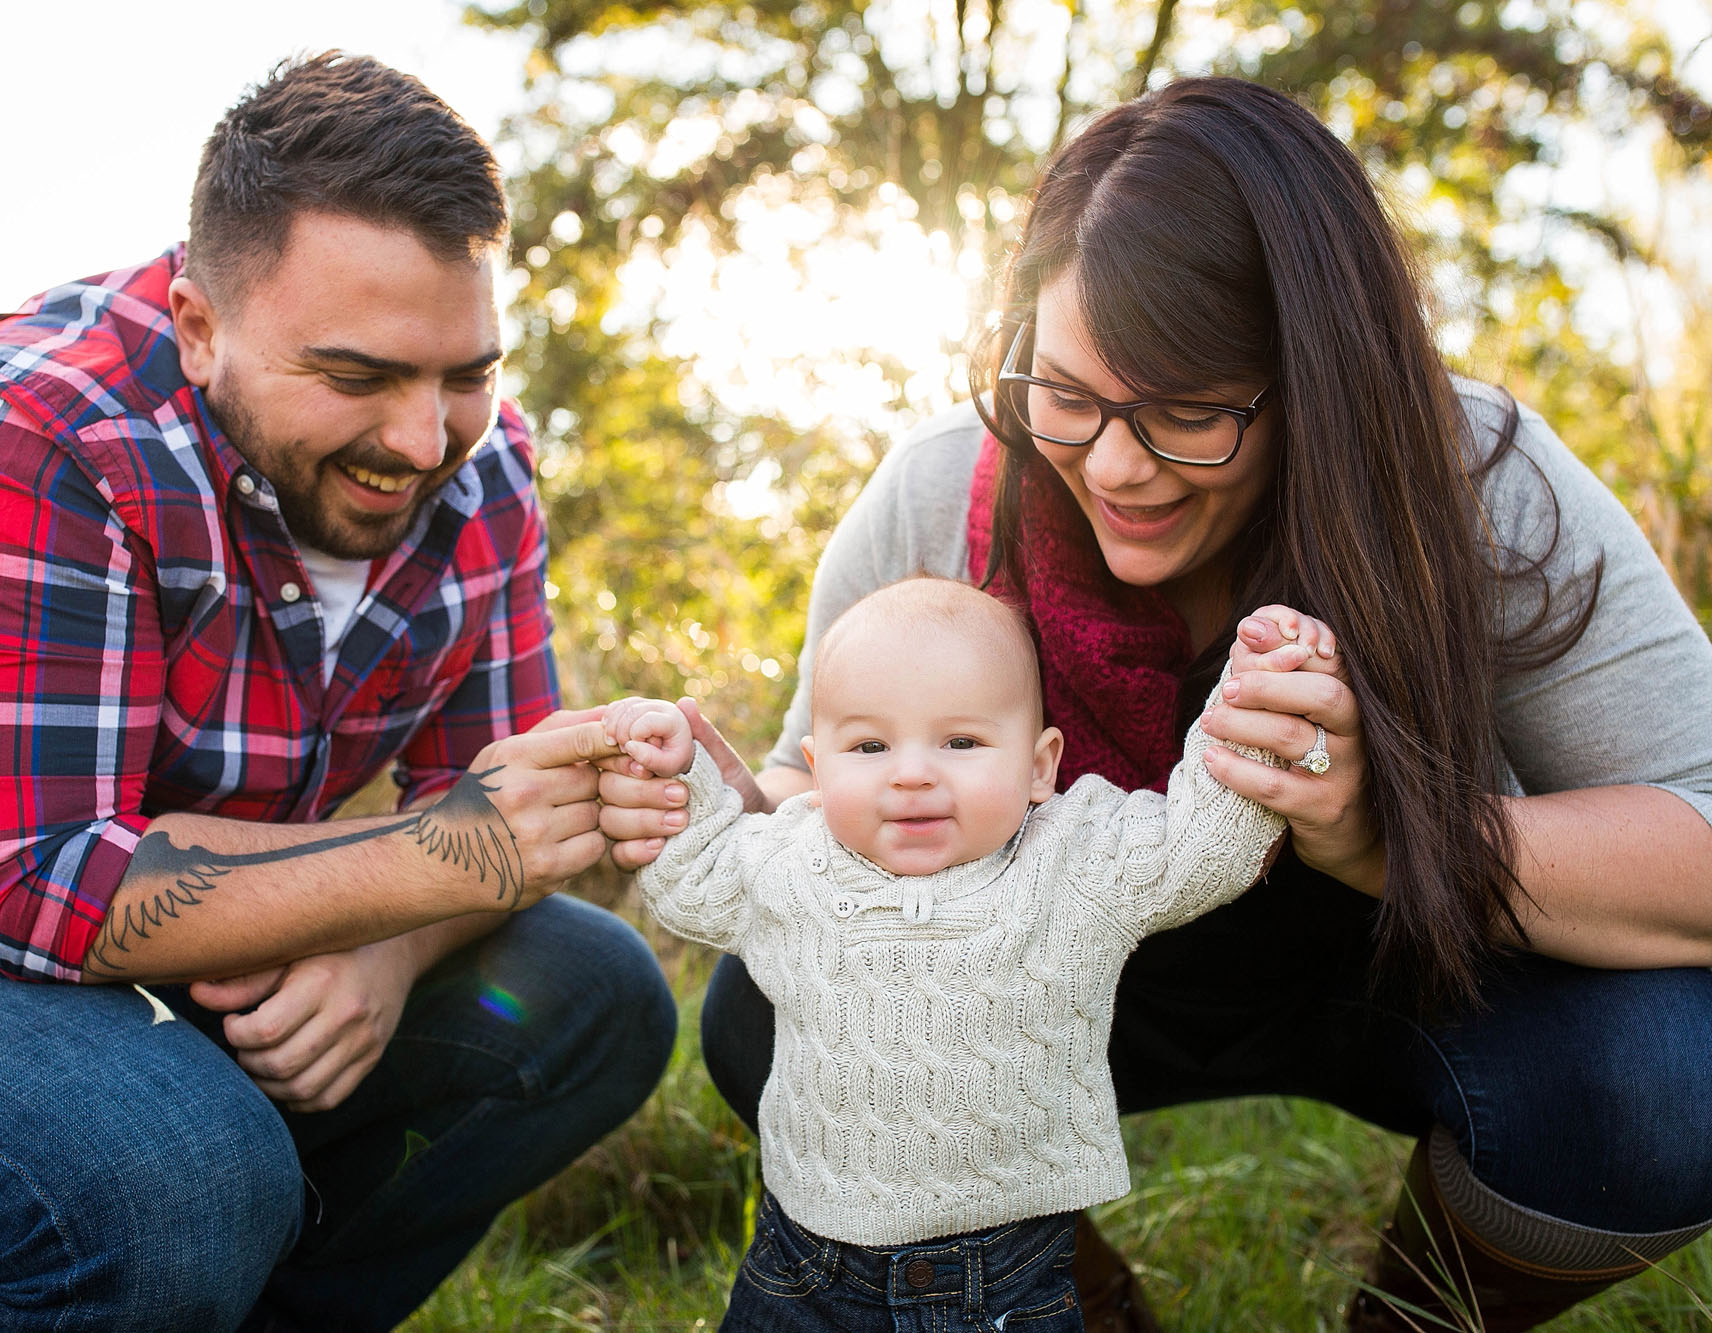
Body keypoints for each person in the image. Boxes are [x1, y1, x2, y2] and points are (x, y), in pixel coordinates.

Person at [599, 77, 1712, 1332]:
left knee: (1669, 1073)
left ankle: (1413, 1320)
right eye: (1065, 392)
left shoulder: (1474, 489)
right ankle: (1061, 1297)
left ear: (1317, 381)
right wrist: (736, 810)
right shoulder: (936, 502)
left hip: (1415, 961)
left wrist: (1382, 837)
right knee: (771, 1004)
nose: (1115, 467)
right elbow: (811, 795)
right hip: (1042, 979)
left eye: (1187, 412)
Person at [0, 53, 673, 1333]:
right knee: (168, 1166)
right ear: (199, 322)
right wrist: (443, 861)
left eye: (464, 371)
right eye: (356, 376)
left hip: (163, 980)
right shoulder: (29, 429)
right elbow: (35, 886)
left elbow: (491, 807)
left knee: (588, 991)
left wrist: (385, 950)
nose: (422, 436)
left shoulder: (475, 460)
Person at [604, 577, 1320, 1331]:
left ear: (1041, 764)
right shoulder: (789, 859)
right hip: (804, 1270)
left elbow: (1202, 847)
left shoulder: (1077, 859)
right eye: (870, 745)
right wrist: (669, 769)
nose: (912, 772)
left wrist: (1255, 693)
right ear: (818, 770)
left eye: (962, 742)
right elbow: (695, 872)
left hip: (1007, 1278)